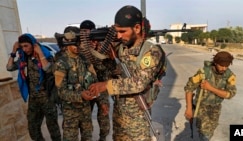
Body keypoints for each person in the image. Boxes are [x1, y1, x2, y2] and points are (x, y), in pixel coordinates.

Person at [88, 5, 166, 140]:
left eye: (122, 31)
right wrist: (104, 55)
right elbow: (112, 72)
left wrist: (106, 85)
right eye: (117, 31)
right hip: (120, 118)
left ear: (137, 28)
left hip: (138, 121)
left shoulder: (151, 51)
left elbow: (139, 83)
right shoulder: (122, 49)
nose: (118, 35)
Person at [6, 33, 61, 141]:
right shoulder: (23, 59)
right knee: (33, 128)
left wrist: (40, 53)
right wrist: (13, 52)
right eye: (22, 46)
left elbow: (48, 69)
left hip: (47, 98)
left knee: (53, 129)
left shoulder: (46, 56)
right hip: (34, 99)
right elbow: (9, 67)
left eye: (26, 46)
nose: (24, 49)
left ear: (33, 44)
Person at [53, 26, 96, 141]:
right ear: (67, 43)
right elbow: (61, 92)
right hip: (71, 112)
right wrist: (80, 95)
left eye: (79, 42)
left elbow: (93, 78)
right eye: (74, 43)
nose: (77, 46)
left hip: (86, 110)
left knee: (87, 137)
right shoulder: (61, 63)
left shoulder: (84, 59)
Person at [184, 51, 237, 140]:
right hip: (202, 106)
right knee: (205, 132)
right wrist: (189, 108)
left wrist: (210, 88)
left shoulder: (229, 75)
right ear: (215, 63)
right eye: (221, 65)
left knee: (210, 130)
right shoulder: (203, 73)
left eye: (226, 66)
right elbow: (189, 88)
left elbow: (230, 94)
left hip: (216, 107)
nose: (224, 68)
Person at [79, 20, 112, 141]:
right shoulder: (79, 47)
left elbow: (108, 65)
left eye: (88, 31)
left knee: (103, 116)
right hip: (87, 87)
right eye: (83, 32)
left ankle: (103, 138)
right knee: (85, 119)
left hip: (102, 85)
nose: (86, 34)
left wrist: (99, 49)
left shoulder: (101, 45)